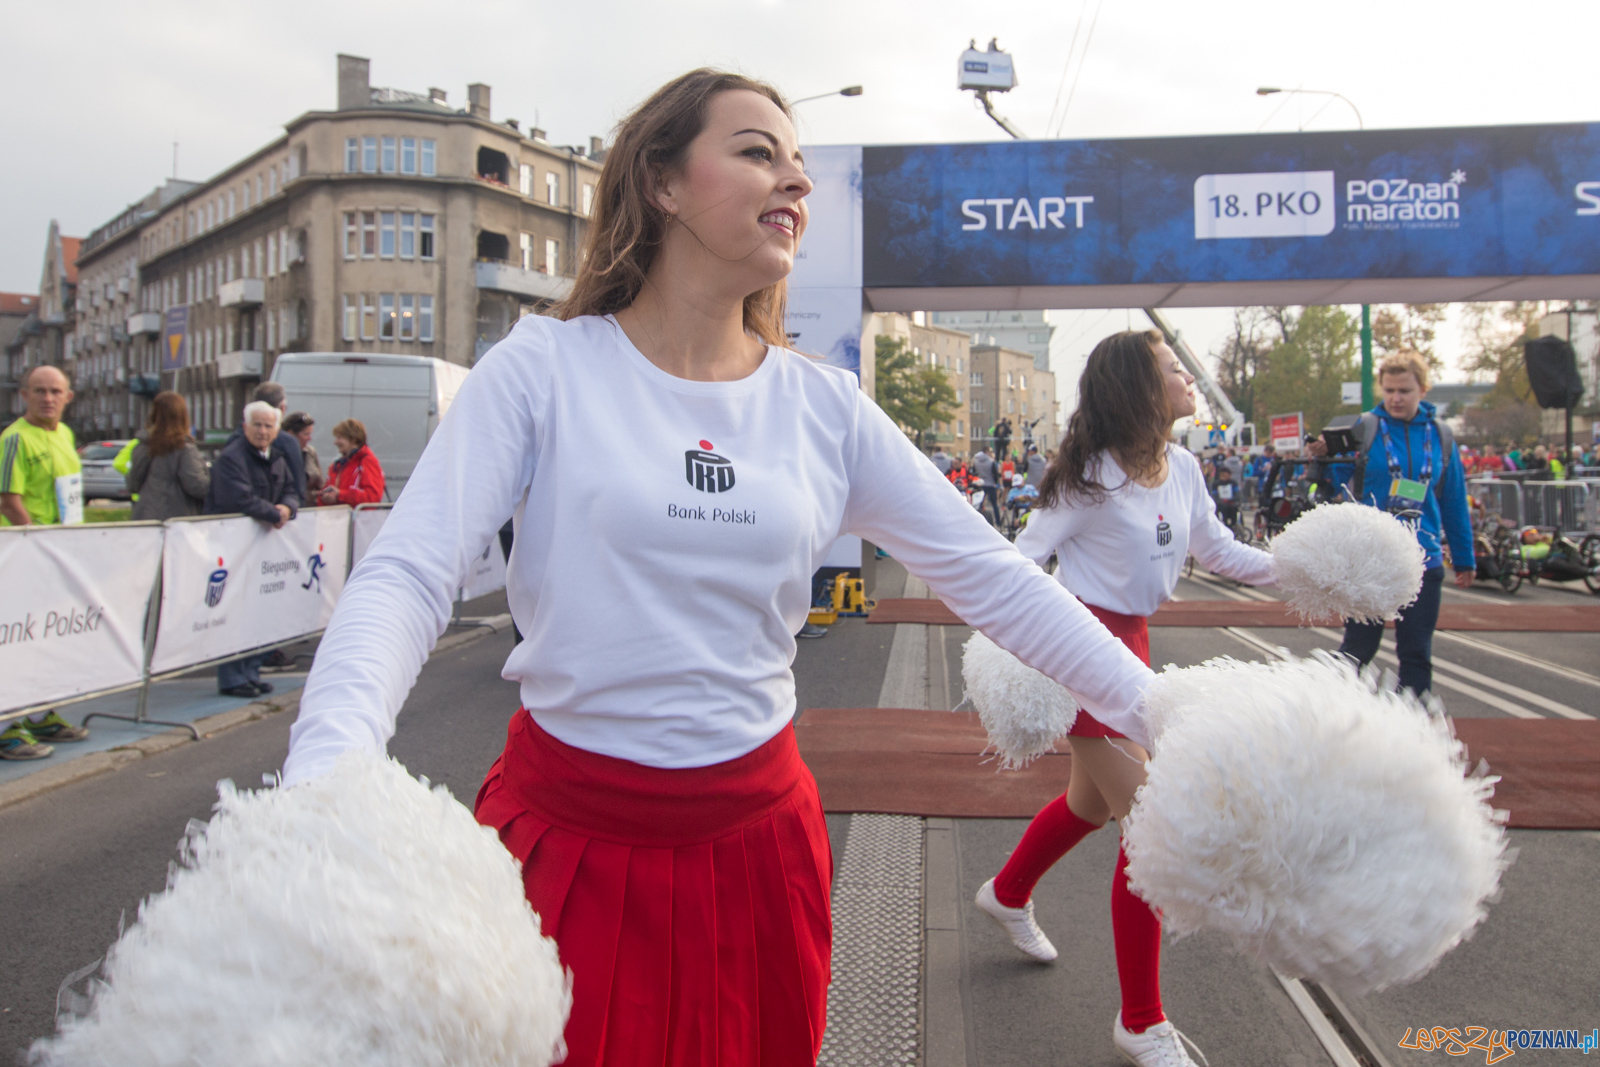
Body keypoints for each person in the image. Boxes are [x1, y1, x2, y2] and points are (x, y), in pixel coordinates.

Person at [279, 70, 1157, 1067]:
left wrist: (1164, 713)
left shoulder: (823, 408)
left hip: (759, 856)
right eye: (755, 151)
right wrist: (324, 781)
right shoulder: (542, 368)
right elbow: (406, 576)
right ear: (660, 182)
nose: (794, 179)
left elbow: (996, 580)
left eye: (797, 162)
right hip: (563, 852)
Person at [975, 329, 1276, 1067]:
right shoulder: (1090, 477)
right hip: (1080, 650)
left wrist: (1309, 574)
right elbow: (1017, 561)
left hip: (1136, 647)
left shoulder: (1183, 467)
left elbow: (1221, 552)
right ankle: (1141, 1020)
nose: (1188, 376)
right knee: (1152, 827)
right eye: (1173, 368)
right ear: (1140, 388)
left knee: (1088, 804)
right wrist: (1024, 655)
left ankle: (1008, 892)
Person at [1310, 350, 1474, 696]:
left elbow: (1454, 500)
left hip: (1423, 557)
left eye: (1405, 391)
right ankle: (1327, 718)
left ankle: (1413, 730)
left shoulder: (1441, 435)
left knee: (1416, 653)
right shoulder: (1366, 428)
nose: (1396, 398)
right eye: (1389, 391)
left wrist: (1464, 558)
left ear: (1423, 390)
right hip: (1372, 557)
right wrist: (1322, 457)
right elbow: (1336, 480)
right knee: (1358, 649)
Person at [0, 364, 93, 758]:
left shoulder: (66, 435)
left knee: (45, 638)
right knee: (14, 641)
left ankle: (40, 715)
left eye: (56, 391)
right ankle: (6, 727)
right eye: (39, 391)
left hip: (58, 556)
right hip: (23, 556)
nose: (48, 398)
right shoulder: (14, 439)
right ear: (24, 396)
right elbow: (8, 498)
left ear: (68, 397)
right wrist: (36, 541)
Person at [207, 401, 300, 698]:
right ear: (245, 427)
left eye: (268, 425)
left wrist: (288, 507)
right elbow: (239, 498)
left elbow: (291, 489)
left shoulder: (276, 457)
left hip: (262, 550)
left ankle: (250, 671)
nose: (262, 431)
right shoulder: (232, 458)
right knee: (235, 611)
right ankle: (233, 677)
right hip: (234, 549)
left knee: (257, 612)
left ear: (276, 430)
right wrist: (276, 514)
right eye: (257, 425)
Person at [126, 391, 210, 521]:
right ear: (183, 416)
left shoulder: (143, 445)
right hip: (178, 520)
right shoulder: (184, 449)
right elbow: (197, 486)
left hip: (146, 518)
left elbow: (132, 484)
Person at [317, 419, 385, 506]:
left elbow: (372, 498)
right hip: (336, 518)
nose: (335, 442)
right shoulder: (337, 465)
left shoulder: (367, 461)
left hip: (359, 519)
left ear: (353, 439)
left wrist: (340, 495)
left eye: (339, 438)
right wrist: (324, 498)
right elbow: (324, 496)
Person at [282, 412, 324, 492]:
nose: (310, 438)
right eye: (306, 434)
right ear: (290, 434)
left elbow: (320, 485)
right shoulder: (277, 453)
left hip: (309, 503)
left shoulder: (310, 452)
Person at [970, 446, 1001, 525]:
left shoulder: (976, 461)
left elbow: (974, 472)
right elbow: (995, 474)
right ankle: (998, 521)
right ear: (987, 452)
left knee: (979, 504)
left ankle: (978, 521)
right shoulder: (991, 461)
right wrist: (996, 483)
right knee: (994, 504)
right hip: (990, 484)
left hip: (980, 484)